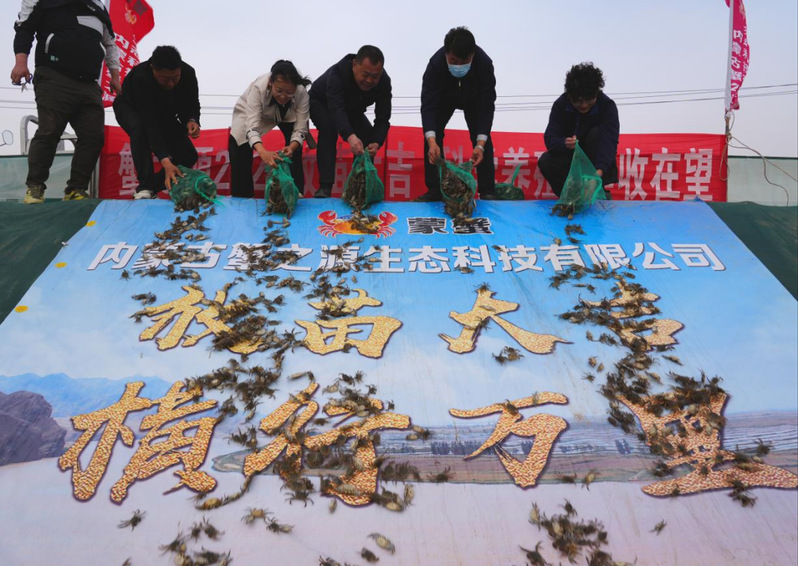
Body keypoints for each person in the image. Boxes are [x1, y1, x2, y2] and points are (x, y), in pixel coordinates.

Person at [12, 0, 121, 204]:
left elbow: (110, 43)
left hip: (89, 82)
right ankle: (35, 187)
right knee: (49, 131)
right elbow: (25, 28)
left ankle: (76, 189)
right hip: (53, 74)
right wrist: (20, 63)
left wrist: (115, 75)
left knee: (94, 136)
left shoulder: (98, 5)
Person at [417, 26, 497, 202]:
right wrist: (432, 142)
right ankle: (435, 189)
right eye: (453, 60)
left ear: (472, 55)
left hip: (474, 99)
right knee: (432, 135)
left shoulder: (484, 64)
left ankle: (487, 190)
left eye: (464, 61)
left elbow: (486, 106)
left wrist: (480, 145)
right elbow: (428, 106)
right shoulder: (435, 64)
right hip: (443, 98)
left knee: (482, 137)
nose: (459, 66)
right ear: (446, 53)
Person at [113, 45, 200, 199]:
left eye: (175, 77)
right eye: (165, 79)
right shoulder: (140, 77)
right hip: (130, 108)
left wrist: (191, 120)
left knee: (188, 155)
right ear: (153, 68)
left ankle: (151, 187)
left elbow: (191, 104)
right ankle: (145, 186)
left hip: (164, 114)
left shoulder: (188, 73)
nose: (171, 83)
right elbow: (150, 123)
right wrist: (165, 160)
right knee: (139, 129)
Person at [309, 45, 391, 198]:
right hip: (321, 102)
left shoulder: (384, 82)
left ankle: (360, 188)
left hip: (352, 109)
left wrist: (377, 141)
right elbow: (336, 109)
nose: (369, 80)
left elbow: (383, 117)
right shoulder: (338, 74)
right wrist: (350, 136)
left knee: (367, 136)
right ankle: (325, 186)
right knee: (329, 127)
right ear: (354, 65)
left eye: (375, 76)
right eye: (365, 75)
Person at [229, 60, 311, 198]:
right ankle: (242, 197)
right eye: (279, 90)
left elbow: (300, 128)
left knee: (295, 150)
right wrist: (263, 152)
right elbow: (252, 126)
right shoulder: (258, 88)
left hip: (288, 114)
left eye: (289, 92)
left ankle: (295, 192)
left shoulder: (301, 92)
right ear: (270, 83)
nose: (283, 96)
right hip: (254, 114)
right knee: (238, 144)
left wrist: (292, 147)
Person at [538, 62, 619, 198]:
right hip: (570, 161)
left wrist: (596, 176)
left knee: (596, 134)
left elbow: (609, 143)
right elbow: (550, 138)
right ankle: (569, 195)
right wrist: (564, 143)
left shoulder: (607, 106)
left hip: (596, 162)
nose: (584, 105)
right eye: (578, 101)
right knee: (545, 161)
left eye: (589, 100)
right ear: (570, 95)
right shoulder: (560, 105)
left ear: (596, 93)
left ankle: (598, 190)